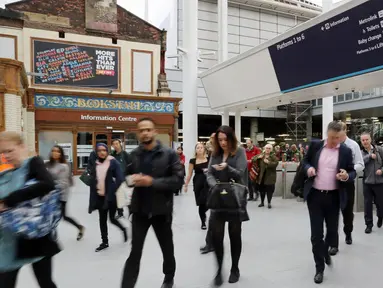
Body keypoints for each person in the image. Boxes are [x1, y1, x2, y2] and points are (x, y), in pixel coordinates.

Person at [121, 117, 184, 288]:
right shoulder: (134, 155)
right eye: (141, 130)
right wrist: (130, 179)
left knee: (167, 248)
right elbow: (125, 178)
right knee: (135, 252)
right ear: (138, 133)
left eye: (148, 129)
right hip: (140, 210)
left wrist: (152, 182)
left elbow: (178, 180)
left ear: (155, 132)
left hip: (161, 211)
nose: (145, 133)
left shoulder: (169, 154)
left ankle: (169, 277)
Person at [0, 132, 60, 288]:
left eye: (9, 150)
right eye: (2, 152)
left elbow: (47, 184)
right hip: (9, 241)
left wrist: (8, 201)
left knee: (45, 281)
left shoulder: (33, 163)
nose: (6, 155)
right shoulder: (7, 173)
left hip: (35, 236)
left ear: (21, 147)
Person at [303, 121, 356, 284]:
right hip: (316, 197)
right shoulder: (315, 146)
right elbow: (305, 162)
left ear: (342, 136)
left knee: (332, 233)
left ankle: (324, 252)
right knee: (316, 235)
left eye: (338, 138)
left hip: (334, 198)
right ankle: (319, 268)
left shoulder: (346, 151)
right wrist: (309, 169)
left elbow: (352, 171)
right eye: (332, 138)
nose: (335, 142)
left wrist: (346, 175)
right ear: (327, 134)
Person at [206, 125, 249, 286]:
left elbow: (240, 172)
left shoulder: (239, 152)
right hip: (218, 197)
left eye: (225, 139)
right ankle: (218, 270)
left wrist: (227, 167)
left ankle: (235, 268)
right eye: (220, 140)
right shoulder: (215, 153)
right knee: (217, 236)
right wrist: (213, 184)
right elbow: (209, 173)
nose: (223, 143)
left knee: (234, 234)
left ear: (231, 138)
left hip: (234, 198)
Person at [328, 122, 364, 253]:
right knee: (332, 213)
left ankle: (348, 232)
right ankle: (333, 244)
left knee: (347, 212)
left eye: (339, 132)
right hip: (332, 184)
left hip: (347, 184)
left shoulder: (353, 145)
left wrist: (348, 172)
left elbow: (360, 164)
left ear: (345, 131)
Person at [88, 143, 127, 252]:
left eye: (104, 150)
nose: (101, 152)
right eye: (99, 150)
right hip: (100, 196)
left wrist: (112, 188)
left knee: (112, 219)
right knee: (102, 220)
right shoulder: (95, 163)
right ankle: (104, 242)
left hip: (111, 197)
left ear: (107, 151)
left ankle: (123, 229)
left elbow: (120, 178)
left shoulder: (112, 162)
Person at [46, 145, 85, 241]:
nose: (55, 153)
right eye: (53, 151)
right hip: (50, 195)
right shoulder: (48, 164)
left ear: (61, 154)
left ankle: (80, 227)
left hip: (61, 194)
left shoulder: (64, 166)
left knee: (63, 216)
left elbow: (63, 183)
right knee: (50, 215)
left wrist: (48, 185)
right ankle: (51, 236)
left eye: (58, 151)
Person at [360, 132, 383, 234]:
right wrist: (369, 156)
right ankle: (368, 224)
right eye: (363, 140)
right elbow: (360, 164)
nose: (365, 142)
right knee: (367, 204)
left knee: (380, 203)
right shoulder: (361, 153)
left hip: (380, 182)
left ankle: (380, 216)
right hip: (367, 183)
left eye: (366, 139)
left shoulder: (380, 150)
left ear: (371, 139)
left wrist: (382, 170)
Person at [184, 143, 209, 229]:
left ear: (204, 149)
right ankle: (203, 222)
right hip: (198, 182)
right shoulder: (192, 160)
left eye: (201, 147)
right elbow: (190, 173)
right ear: (195, 150)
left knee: (208, 202)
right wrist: (186, 184)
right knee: (201, 203)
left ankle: (204, 213)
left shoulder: (209, 159)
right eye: (198, 148)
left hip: (208, 182)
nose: (200, 149)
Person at [253, 144, 278, 209]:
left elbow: (275, 164)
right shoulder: (261, 155)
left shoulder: (273, 156)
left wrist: (268, 162)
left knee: (270, 190)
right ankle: (262, 202)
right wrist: (258, 158)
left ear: (271, 149)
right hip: (261, 176)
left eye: (269, 148)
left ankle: (269, 203)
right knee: (262, 190)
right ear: (264, 148)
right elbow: (253, 159)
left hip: (270, 177)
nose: (267, 149)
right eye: (267, 148)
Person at [111, 139, 130, 219]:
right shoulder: (112, 156)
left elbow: (130, 165)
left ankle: (131, 213)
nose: (115, 145)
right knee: (119, 196)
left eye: (117, 144)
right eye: (114, 144)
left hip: (125, 179)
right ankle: (120, 212)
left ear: (120, 144)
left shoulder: (125, 154)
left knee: (128, 196)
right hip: (116, 179)